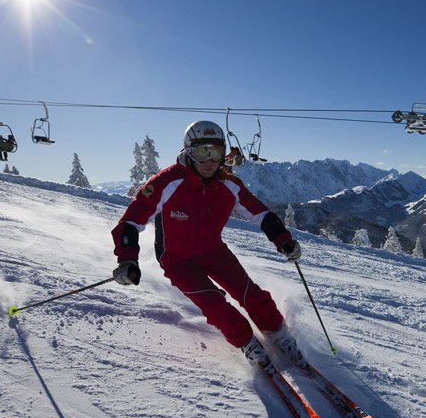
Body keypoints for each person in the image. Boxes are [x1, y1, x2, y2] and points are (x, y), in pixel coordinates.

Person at [111, 120, 303, 373]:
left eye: (216, 152)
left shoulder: (229, 184)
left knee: (251, 294)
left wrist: (283, 240)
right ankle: (246, 341)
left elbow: (261, 214)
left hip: (214, 252)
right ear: (188, 151)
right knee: (215, 304)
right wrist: (127, 259)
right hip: (178, 261)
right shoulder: (167, 182)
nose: (210, 161)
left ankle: (278, 332)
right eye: (203, 152)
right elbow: (131, 220)